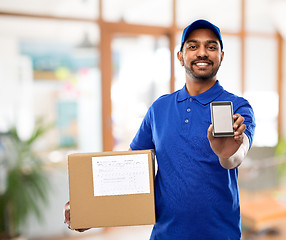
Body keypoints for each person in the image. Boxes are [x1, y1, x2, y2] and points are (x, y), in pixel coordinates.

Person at [65, 19, 255, 240]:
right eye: (193, 46)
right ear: (180, 56)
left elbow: (236, 157)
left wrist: (226, 153)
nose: (202, 52)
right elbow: (131, 171)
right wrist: (91, 212)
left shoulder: (238, 107)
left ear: (221, 56)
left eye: (211, 46)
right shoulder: (159, 109)